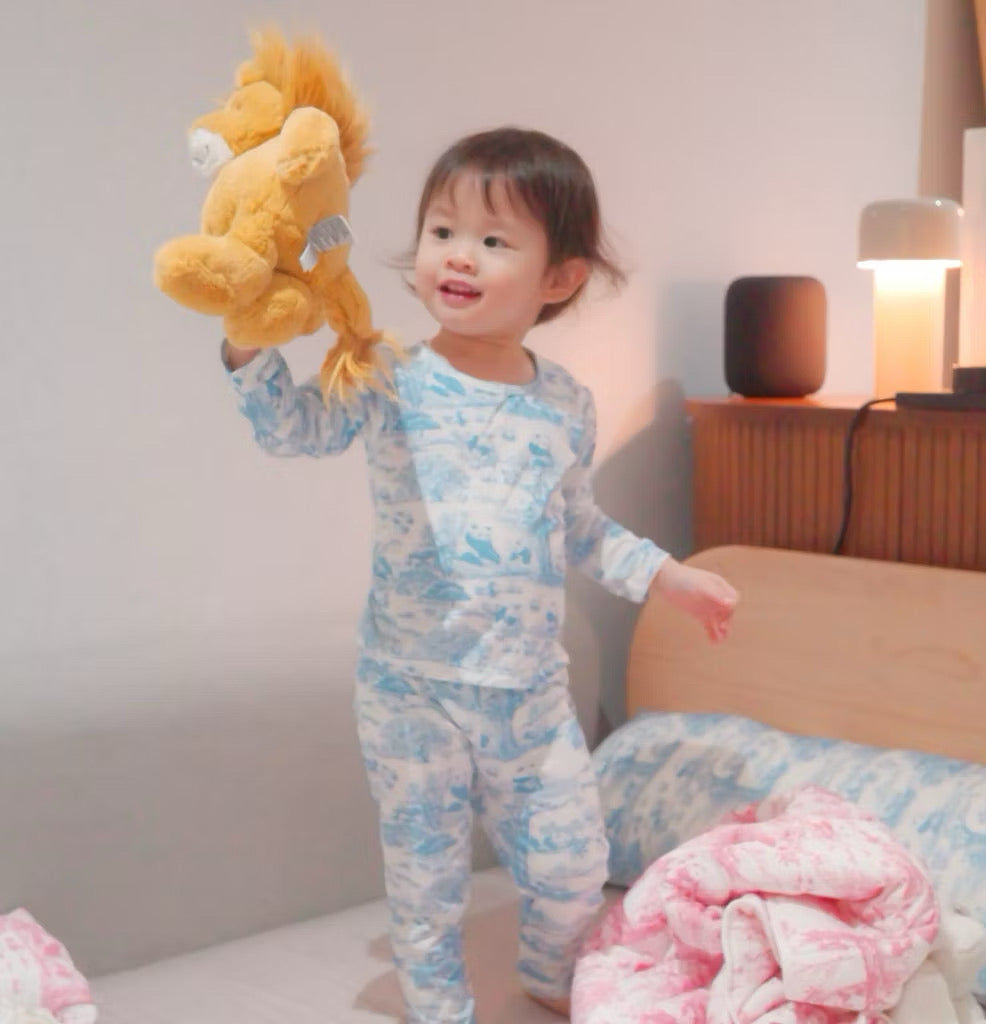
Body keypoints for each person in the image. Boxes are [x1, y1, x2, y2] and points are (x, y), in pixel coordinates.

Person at [222, 127, 738, 1024]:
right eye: (442, 231)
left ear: (560, 278)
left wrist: (667, 577)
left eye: (495, 241)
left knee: (576, 863)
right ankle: (438, 1006)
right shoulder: (388, 373)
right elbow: (293, 431)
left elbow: (580, 527)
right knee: (425, 872)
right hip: (410, 687)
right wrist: (245, 348)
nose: (459, 258)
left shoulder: (564, 402)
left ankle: (551, 972)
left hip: (531, 693)